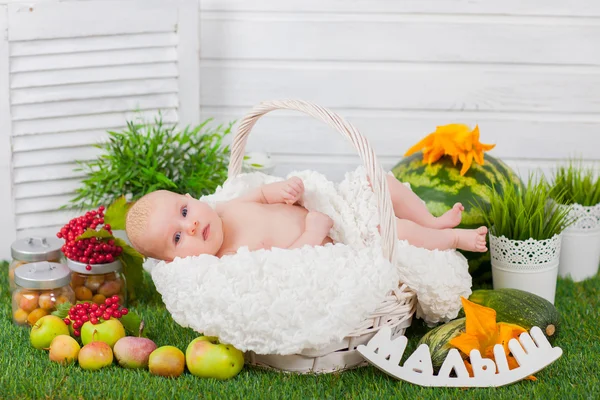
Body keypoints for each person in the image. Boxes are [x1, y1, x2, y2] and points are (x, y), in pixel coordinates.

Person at [125, 175, 488, 262]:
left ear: (191, 199)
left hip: (336, 209)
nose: (189, 225)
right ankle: (452, 239)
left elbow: (264, 193)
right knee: (391, 232)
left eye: (184, 212)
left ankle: (434, 219)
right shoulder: (233, 260)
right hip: (340, 240)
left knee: (380, 181)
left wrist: (288, 190)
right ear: (176, 263)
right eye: (177, 239)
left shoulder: (227, 206)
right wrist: (313, 232)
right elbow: (290, 263)